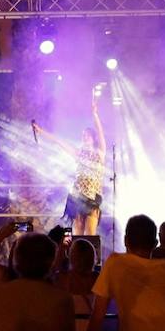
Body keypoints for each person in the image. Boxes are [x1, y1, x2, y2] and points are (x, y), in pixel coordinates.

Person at [30, 93, 106, 237]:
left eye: (87, 135)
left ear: (92, 138)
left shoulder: (100, 152)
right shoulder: (78, 153)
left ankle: (91, 258)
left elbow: (101, 133)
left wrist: (95, 114)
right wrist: (41, 131)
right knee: (77, 232)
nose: (84, 137)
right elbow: (59, 141)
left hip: (92, 198)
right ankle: (76, 257)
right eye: (82, 135)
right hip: (78, 195)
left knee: (90, 233)